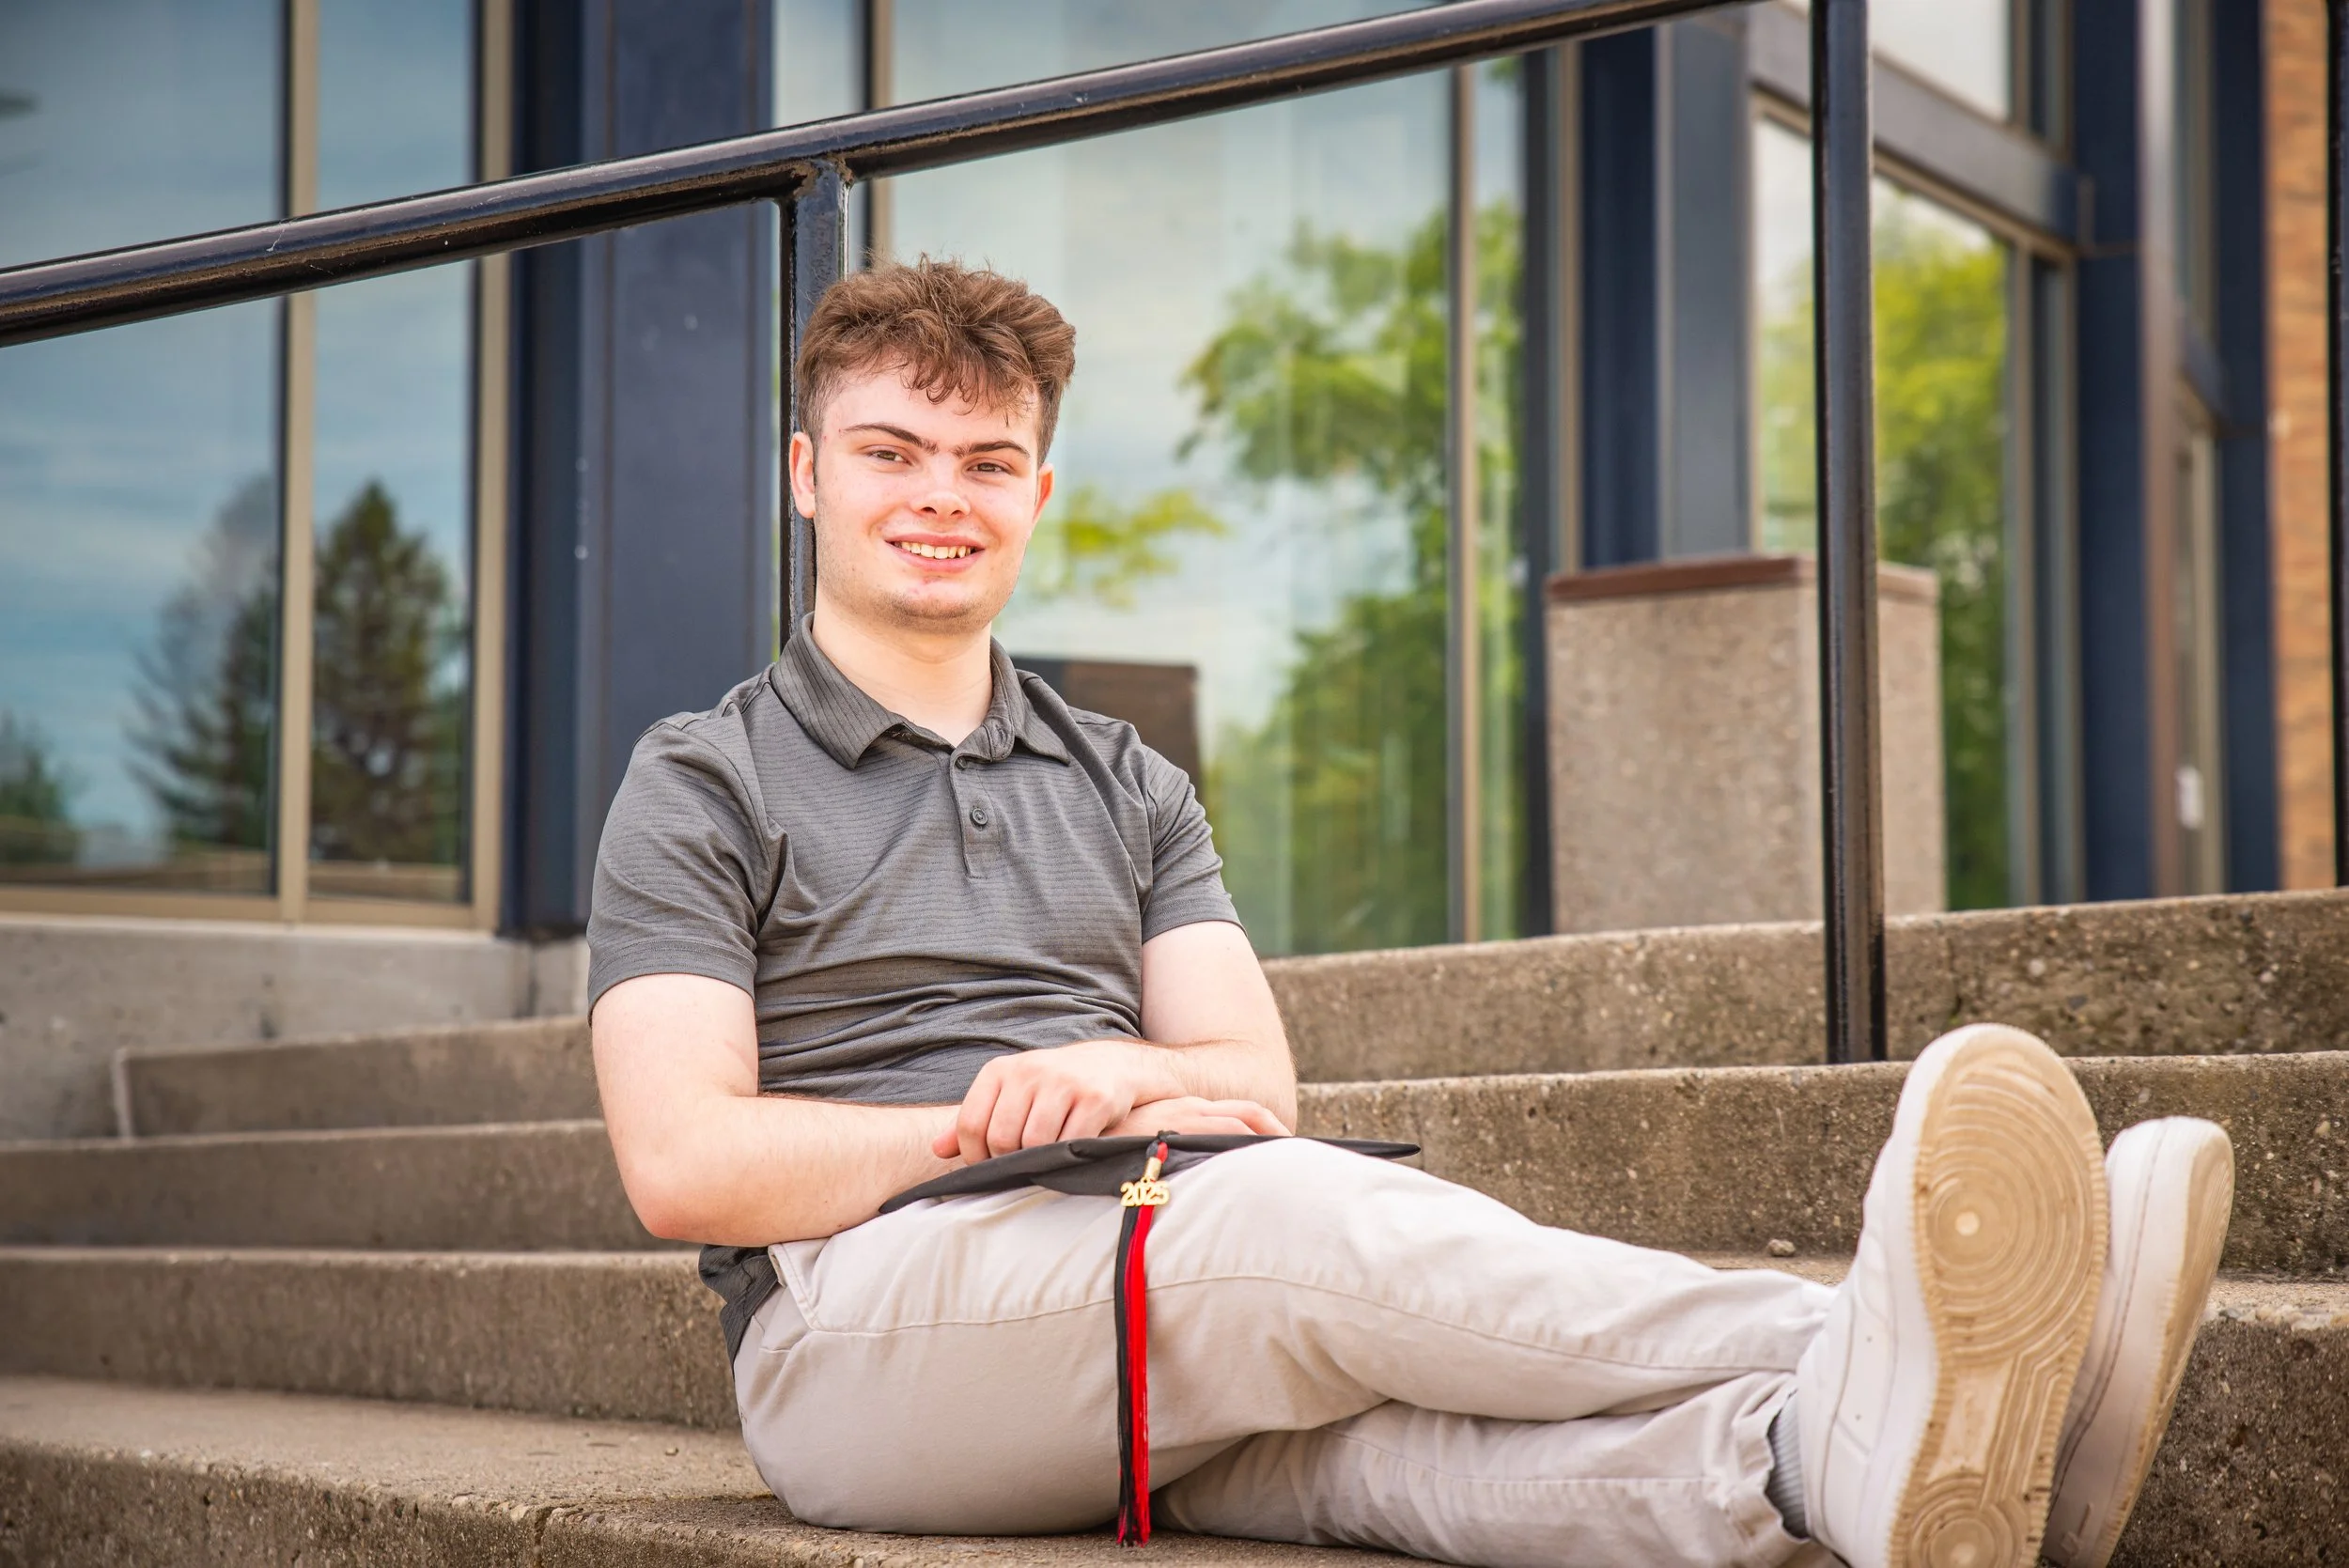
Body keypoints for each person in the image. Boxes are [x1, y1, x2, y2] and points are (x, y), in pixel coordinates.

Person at [585, 258, 2233, 1568]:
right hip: (859, 1336)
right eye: (892, 452)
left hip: (1141, 1260)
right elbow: (683, 1166)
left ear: (1037, 490)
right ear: (808, 474)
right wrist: (982, 1130)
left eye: (986, 461)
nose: (940, 495)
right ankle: (1953, 1339)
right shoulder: (704, 778)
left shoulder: (1126, 778)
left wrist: (1125, 1081)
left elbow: (1248, 1072)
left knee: (1397, 1466)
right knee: (1290, 1219)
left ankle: (1842, 1471)